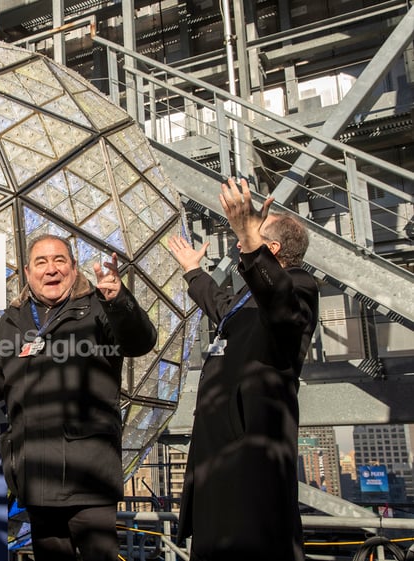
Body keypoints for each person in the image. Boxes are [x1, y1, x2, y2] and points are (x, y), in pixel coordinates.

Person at [0, 233, 157, 561]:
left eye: (59, 261)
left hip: (89, 474)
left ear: (73, 267)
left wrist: (119, 300)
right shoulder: (12, 321)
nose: (51, 269)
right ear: (27, 272)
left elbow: (140, 341)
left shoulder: (99, 306)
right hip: (37, 473)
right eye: (41, 262)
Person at [169, 177, 320, 561]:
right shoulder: (247, 297)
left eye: (250, 240)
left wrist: (249, 237)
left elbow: (279, 303)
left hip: (250, 461)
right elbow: (221, 307)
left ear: (270, 249)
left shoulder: (299, 288)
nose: (238, 244)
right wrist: (193, 272)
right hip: (216, 459)